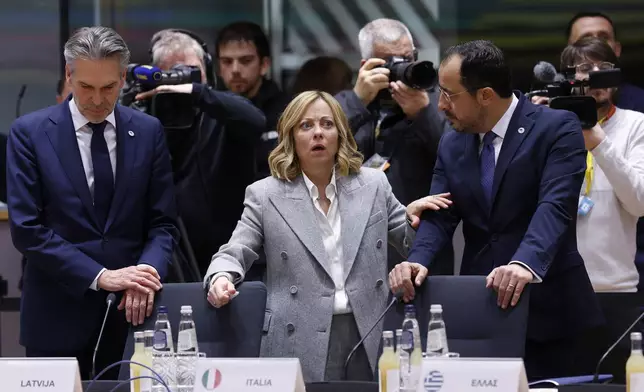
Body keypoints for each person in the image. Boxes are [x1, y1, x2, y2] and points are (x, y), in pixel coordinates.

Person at [389, 40, 602, 379]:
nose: (440, 105)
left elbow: (555, 206)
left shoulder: (556, 127)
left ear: (485, 95)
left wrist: (524, 262)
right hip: (482, 309)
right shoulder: (452, 140)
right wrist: (417, 259)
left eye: (449, 94)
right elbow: (440, 212)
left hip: (551, 310)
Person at [204, 90, 451, 382]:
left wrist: (417, 219)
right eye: (306, 126)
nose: (318, 133)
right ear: (291, 136)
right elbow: (234, 252)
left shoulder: (374, 184)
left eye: (327, 124)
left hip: (369, 330)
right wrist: (221, 277)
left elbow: (410, 243)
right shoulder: (265, 194)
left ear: (340, 134)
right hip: (296, 332)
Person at [7, 27, 178, 380]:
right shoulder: (30, 133)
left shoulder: (148, 131)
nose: (98, 100)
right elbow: (27, 230)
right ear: (69, 75)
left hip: (133, 316)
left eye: (109, 88)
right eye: (86, 87)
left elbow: (163, 223)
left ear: (123, 78)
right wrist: (101, 276)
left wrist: (145, 275)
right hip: (55, 317)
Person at [137, 29, 266, 276]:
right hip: (170, 260)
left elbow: (256, 121)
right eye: (173, 74)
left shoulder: (222, 111)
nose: (181, 81)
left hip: (229, 258)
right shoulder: (147, 119)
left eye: (190, 72)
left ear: (206, 72)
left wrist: (197, 93)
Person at [335, 18, 453, 275]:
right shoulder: (344, 104)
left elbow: (458, 158)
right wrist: (358, 103)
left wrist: (423, 114)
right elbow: (321, 155)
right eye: (391, 63)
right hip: (355, 250)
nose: (402, 69)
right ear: (366, 65)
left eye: (407, 59)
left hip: (420, 247)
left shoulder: (439, 102)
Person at [216, 21, 290, 180]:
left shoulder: (288, 110)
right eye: (227, 62)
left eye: (245, 60)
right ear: (218, 67)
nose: (235, 70)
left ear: (264, 65)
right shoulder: (209, 113)